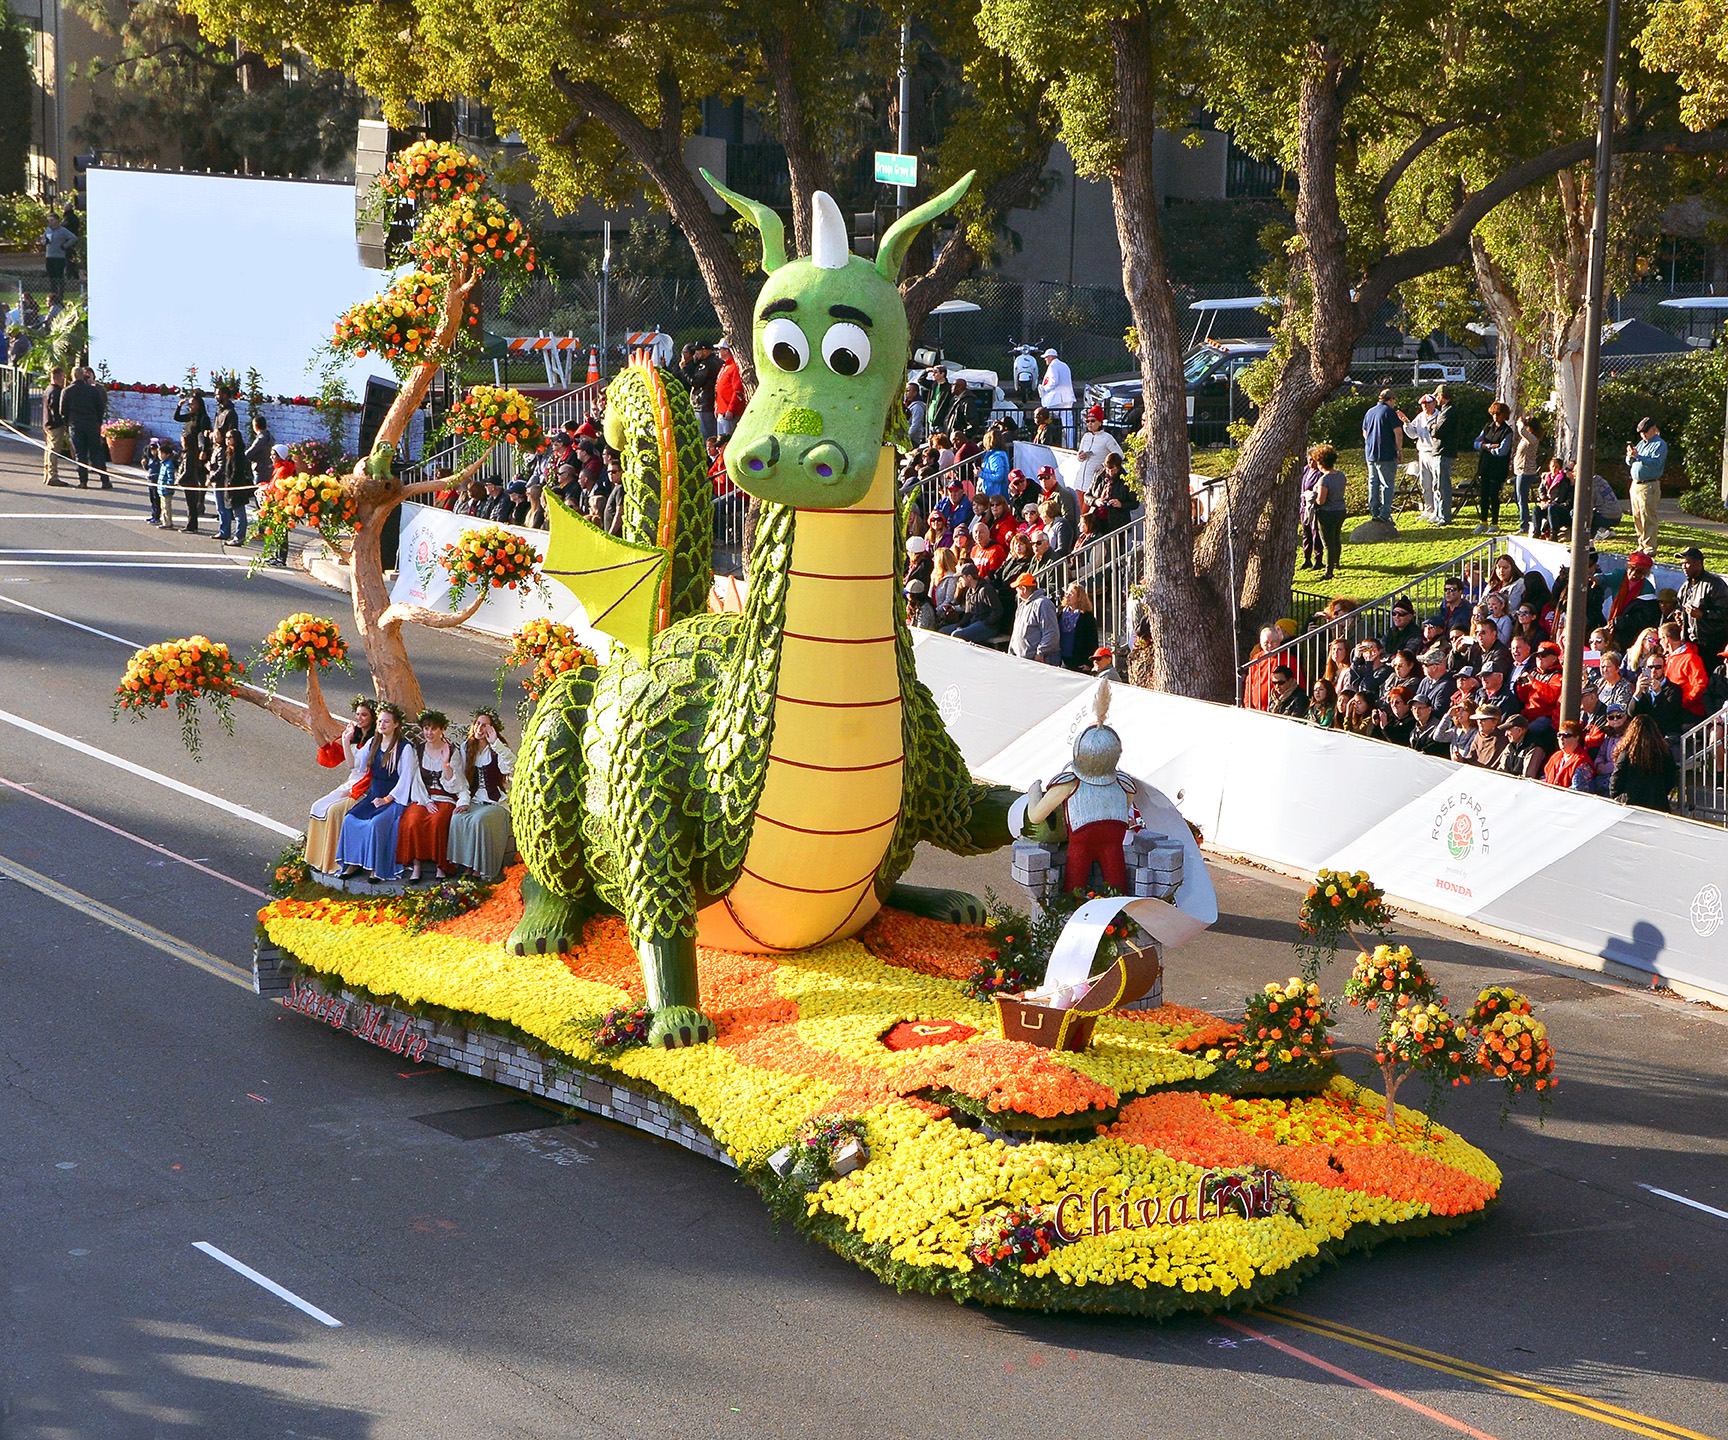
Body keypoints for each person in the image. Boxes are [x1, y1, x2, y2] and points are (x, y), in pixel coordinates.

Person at [334, 703, 419, 882]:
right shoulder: (373, 742)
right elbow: (354, 765)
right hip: (374, 795)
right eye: (380, 721)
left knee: (376, 823)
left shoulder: (405, 749)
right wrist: (345, 742)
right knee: (350, 819)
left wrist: (387, 799)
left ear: (396, 724)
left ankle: (376, 867)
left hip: (394, 798)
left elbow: (405, 780)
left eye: (386, 721)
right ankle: (354, 863)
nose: (381, 724)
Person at [306, 700, 377, 875]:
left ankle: (335, 859)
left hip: (365, 786)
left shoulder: (375, 740)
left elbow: (360, 769)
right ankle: (318, 858)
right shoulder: (352, 735)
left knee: (334, 811)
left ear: (373, 718)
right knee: (317, 807)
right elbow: (330, 756)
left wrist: (353, 791)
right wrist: (314, 727)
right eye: (358, 714)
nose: (359, 718)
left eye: (364, 715)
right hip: (351, 782)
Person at [395, 710, 464, 881]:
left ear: (442, 730)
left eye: (433, 729)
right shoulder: (418, 750)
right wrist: (425, 801)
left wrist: (446, 764)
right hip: (422, 797)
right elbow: (415, 779)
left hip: (445, 797)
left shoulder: (453, 751)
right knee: (412, 820)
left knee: (438, 820)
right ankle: (416, 865)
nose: (429, 733)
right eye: (426, 728)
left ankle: (441, 865)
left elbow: (456, 783)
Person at [446, 709, 516, 879]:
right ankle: (467, 865)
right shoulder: (466, 747)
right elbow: (461, 778)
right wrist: (463, 800)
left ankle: (481, 868)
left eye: (484, 725)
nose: (479, 727)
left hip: (495, 802)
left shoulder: (498, 747)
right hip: (475, 798)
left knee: (480, 821)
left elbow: (511, 766)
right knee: (457, 818)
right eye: (477, 723)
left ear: (492, 729)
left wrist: (496, 744)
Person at [1609, 712, 1680, 811]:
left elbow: (1616, 780)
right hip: (1658, 804)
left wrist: (1617, 798)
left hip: (1630, 804)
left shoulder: (1626, 754)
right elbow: (1670, 778)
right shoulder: (1664, 753)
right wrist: (1661, 793)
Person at [1675, 545, 1728, 665]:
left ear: (1699, 563)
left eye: (1687, 563)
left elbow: (1725, 613)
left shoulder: (1714, 584)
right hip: (1691, 643)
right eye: (1682, 564)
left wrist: (1702, 615)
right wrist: (1679, 615)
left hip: (1712, 645)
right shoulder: (1685, 586)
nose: (1684, 567)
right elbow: (1678, 606)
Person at [1625, 417, 1667, 555]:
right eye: (1641, 433)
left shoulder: (1660, 445)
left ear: (1654, 430)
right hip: (1635, 484)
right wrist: (1630, 456)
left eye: (1645, 432)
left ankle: (1650, 547)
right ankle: (1641, 544)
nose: (1643, 435)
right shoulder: (1642, 443)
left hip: (1649, 485)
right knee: (1637, 516)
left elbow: (1656, 463)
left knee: (1648, 516)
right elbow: (1630, 462)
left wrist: (1639, 457)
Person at [62, 367, 108, 489]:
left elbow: (63, 411)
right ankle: (105, 480)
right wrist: (98, 422)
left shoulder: (67, 391)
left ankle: (83, 481)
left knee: (80, 454)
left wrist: (67, 424)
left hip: (76, 425)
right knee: (96, 452)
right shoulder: (92, 391)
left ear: (73, 376)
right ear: (83, 376)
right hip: (92, 424)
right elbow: (100, 408)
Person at [1361, 388, 1401, 524]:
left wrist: (1370, 443)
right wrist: (1399, 450)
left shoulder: (1370, 411)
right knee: (1387, 484)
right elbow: (1398, 432)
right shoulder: (1389, 412)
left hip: (1371, 453)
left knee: (1373, 483)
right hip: (1387, 453)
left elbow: (1365, 432)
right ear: (1391, 399)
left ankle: (1374, 511)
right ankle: (1385, 514)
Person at [1472, 402, 1514, 532]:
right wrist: (1489, 446)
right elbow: (1476, 443)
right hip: (1485, 466)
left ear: (1504, 415)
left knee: (1494, 495)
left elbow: (1502, 451)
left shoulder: (1507, 431)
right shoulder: (1487, 428)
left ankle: (1494, 523)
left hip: (1498, 468)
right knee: (1483, 495)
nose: (1495, 417)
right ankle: (1483, 522)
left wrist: (1486, 446)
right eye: (1494, 414)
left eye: (1498, 414)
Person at [173, 390, 211, 533]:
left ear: (199, 404)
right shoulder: (190, 417)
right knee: (189, 491)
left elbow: (204, 436)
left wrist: (203, 450)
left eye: (192, 403)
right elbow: (177, 418)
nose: (190, 406)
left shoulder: (203, 418)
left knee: (193, 486)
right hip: (188, 451)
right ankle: (192, 520)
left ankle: (193, 520)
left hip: (196, 453)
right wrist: (179, 406)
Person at [1310, 444, 1348, 579]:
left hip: (1327, 513)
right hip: (1341, 510)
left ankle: (1329, 571)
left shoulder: (1323, 480)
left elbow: (1321, 500)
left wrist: (1310, 499)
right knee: (1336, 538)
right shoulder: (1341, 475)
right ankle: (1336, 562)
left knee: (1328, 543)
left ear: (1321, 464)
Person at [940, 562, 1001, 643]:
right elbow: (968, 613)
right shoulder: (969, 591)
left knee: (957, 635)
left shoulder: (986, 590)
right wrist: (961, 625)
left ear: (969, 577)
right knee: (942, 631)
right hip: (973, 623)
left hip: (988, 626)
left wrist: (986, 622)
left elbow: (998, 611)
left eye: (961, 577)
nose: (959, 580)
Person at [1008, 572, 1060, 663]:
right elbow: (1016, 632)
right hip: (1022, 660)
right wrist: (1011, 651)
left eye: (1017, 588)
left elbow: (1051, 632)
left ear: (1024, 589)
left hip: (1040, 661)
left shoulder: (1043, 604)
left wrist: (1040, 652)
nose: (1016, 591)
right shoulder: (1022, 606)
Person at [213, 429, 254, 545]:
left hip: (237, 488)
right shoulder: (230, 451)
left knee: (239, 513)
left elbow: (237, 472)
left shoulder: (238, 453)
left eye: (229, 437)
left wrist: (231, 485)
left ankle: (239, 537)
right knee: (235, 512)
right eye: (226, 438)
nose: (227, 440)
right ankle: (233, 534)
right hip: (230, 487)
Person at [679, 340, 723, 437]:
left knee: (705, 435)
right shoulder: (716, 362)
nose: (696, 353)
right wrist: (695, 363)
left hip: (703, 404)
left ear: (705, 351)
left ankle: (708, 451)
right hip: (709, 402)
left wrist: (684, 369)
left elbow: (696, 381)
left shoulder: (706, 364)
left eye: (698, 350)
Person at [1075, 405, 1122, 493]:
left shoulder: (1107, 438)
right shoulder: (1086, 436)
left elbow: (1119, 455)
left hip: (1095, 479)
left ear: (1100, 422)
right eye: (1087, 421)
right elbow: (1078, 457)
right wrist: (1081, 456)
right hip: (1081, 479)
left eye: (1093, 421)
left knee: (1088, 506)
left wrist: (1104, 465)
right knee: (1081, 507)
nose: (1089, 423)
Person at [1512, 413, 1545, 535]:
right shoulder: (1526, 439)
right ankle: (1524, 521)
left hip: (1526, 472)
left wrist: (1520, 423)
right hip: (1520, 471)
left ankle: (1523, 526)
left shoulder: (1533, 439)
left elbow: (1521, 430)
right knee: (1518, 498)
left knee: (1522, 500)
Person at [41, 366, 73, 488]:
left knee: (49, 449)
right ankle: (52, 476)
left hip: (47, 423)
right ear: (59, 377)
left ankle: (47, 474)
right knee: (54, 449)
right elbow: (56, 410)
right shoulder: (56, 392)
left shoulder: (48, 389)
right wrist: (63, 424)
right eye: (63, 377)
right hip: (54, 425)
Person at [1541, 721, 1595, 792]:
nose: (1561, 738)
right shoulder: (1555, 757)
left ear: (1577, 738)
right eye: (1559, 735)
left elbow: (1578, 790)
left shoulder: (1581, 762)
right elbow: (1545, 778)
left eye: (1566, 735)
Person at [1038, 348, 1076, 442]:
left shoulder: (1053, 366)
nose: (1045, 360)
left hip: (1056, 399)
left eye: (1046, 358)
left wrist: (1044, 389)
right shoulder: (1064, 365)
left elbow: (1054, 381)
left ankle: (1050, 441)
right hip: (1067, 398)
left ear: (1051, 357)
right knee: (1068, 423)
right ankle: (1070, 444)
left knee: (1048, 419)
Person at [1057, 584, 1098, 670]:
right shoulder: (1060, 613)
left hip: (1078, 662)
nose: (1067, 596)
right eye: (1066, 593)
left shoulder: (1086, 617)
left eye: (1071, 594)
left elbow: (1092, 641)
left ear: (1079, 597)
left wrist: (1089, 664)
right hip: (1061, 660)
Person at [1496, 711, 1547, 778]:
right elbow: (1500, 769)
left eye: (1508, 730)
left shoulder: (1534, 748)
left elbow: (1528, 777)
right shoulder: (1510, 746)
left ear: (1520, 731)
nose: (1506, 734)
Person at [1534, 456, 1572, 540]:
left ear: (1560, 468)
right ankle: (1536, 532)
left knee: (1552, 508)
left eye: (1556, 467)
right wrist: (1543, 500)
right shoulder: (1546, 477)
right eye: (1552, 466)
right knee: (1536, 509)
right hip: (1548, 502)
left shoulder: (1563, 479)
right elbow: (1541, 489)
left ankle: (1553, 533)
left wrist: (1553, 502)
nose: (1553, 469)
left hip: (1558, 505)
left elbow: (1562, 494)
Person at [715, 343, 746, 437]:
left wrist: (731, 409)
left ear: (727, 350)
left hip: (728, 412)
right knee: (721, 440)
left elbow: (738, 390)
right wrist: (716, 406)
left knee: (727, 439)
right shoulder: (725, 366)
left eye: (720, 349)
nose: (718, 351)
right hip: (722, 410)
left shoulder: (734, 367)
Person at [43, 218, 77, 303]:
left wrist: (65, 246)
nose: (50, 222)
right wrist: (45, 241)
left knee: (59, 277)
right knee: (51, 278)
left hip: (59, 257)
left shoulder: (63, 231)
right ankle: (53, 297)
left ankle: (60, 296)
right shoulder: (48, 230)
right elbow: (43, 240)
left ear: (57, 220)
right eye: (49, 220)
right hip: (49, 256)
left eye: (52, 220)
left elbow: (73, 238)